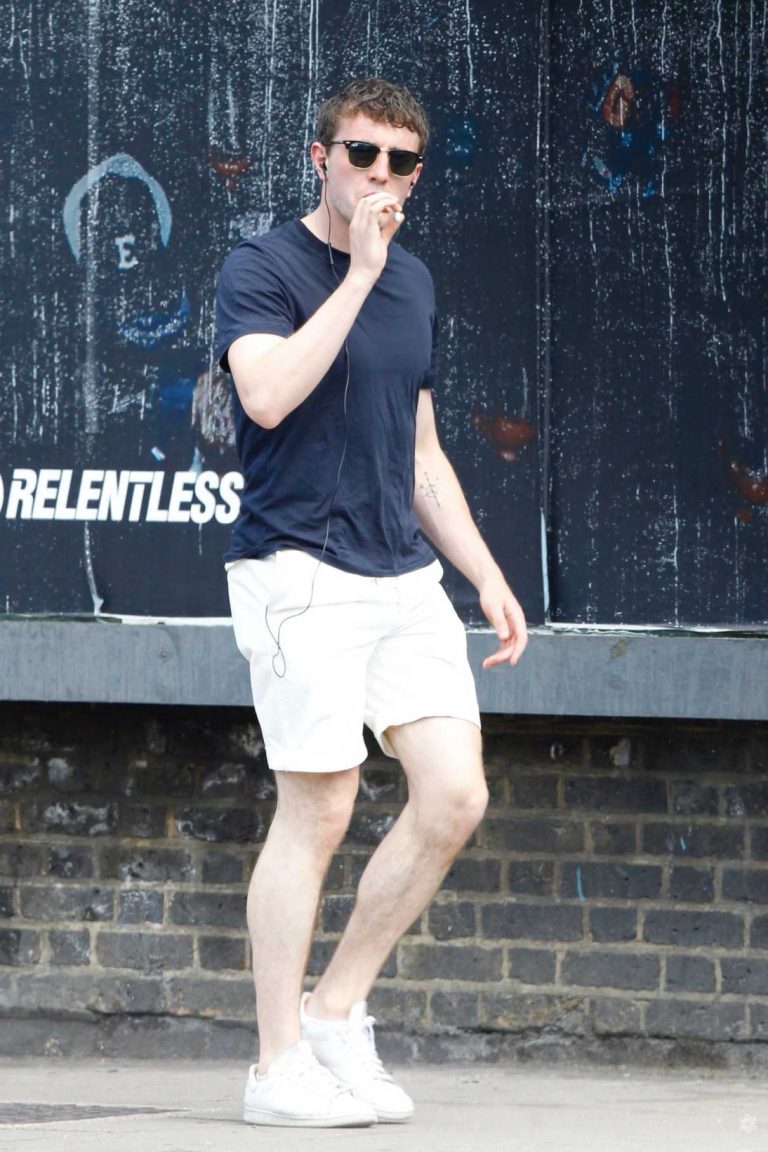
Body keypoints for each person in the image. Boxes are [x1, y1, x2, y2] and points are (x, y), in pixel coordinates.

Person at [215, 76, 527, 1129]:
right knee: (322, 806)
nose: (379, 177)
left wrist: (482, 572)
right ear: (321, 157)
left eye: (399, 162)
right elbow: (264, 394)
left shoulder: (416, 282)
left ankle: (338, 1010)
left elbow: (423, 448)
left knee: (454, 796)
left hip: (403, 575)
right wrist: (356, 274)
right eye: (361, 155)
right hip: (299, 570)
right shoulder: (265, 267)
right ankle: (275, 1065)